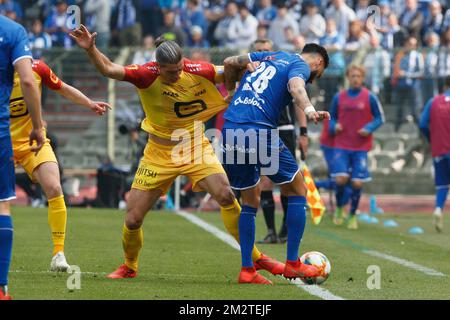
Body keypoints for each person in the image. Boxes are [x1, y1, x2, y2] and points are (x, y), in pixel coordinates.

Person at [69, 25, 284, 284]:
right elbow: (108, 69)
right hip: (158, 152)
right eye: (171, 72)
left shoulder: (197, 69)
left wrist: (251, 68)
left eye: (180, 68)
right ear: (158, 67)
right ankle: (129, 265)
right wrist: (91, 49)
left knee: (226, 195)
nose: (178, 74)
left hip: (193, 144)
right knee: (134, 219)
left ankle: (254, 258)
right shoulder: (145, 75)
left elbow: (229, 70)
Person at [222, 43, 330, 283]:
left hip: (229, 129)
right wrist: (310, 110)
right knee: (298, 189)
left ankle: (247, 270)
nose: (312, 77)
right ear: (318, 63)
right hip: (258, 131)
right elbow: (296, 87)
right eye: (317, 76)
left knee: (250, 199)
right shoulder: (299, 64)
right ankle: (293, 264)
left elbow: (230, 61)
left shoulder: (271, 56)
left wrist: (231, 91)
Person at [9, 59, 109, 271]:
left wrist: (89, 103)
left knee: (54, 187)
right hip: (2, 142)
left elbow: (62, 88)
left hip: (32, 142)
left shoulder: (37, 68)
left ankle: (58, 254)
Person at [0, 15, 46, 301]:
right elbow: (28, 81)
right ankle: (0, 287)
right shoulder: (12, 30)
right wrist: (38, 126)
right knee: (1, 206)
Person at [247, 39, 308, 245]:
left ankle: (284, 230)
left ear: (272, 51)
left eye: (266, 50)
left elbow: (299, 102)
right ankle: (272, 231)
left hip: (284, 130)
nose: (263, 53)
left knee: (287, 183)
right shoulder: (249, 73)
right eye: (258, 51)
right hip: (263, 131)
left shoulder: (283, 70)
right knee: (265, 181)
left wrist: (304, 132)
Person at [329, 65, 385, 230]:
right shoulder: (339, 97)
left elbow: (380, 118)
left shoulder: (370, 97)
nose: (355, 79)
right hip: (342, 144)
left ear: (362, 78)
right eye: (352, 76)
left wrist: (369, 128)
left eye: (358, 76)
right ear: (348, 77)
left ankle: (353, 215)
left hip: (360, 146)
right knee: (341, 179)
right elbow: (331, 118)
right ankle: (340, 208)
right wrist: (335, 126)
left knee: (357, 183)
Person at [419, 75, 450, 233]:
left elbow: (423, 124)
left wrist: (433, 139)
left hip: (439, 150)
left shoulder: (433, 101)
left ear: (444, 86)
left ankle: (438, 208)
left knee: (443, 184)